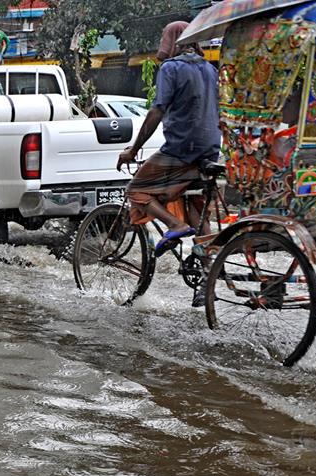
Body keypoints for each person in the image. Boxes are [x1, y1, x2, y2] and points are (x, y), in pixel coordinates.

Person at [116, 21, 220, 305]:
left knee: (137, 189)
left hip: (181, 149)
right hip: (210, 150)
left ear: (173, 40)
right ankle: (207, 279)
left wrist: (133, 149)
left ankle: (173, 225)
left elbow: (157, 111)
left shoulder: (171, 69)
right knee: (200, 212)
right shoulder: (210, 70)